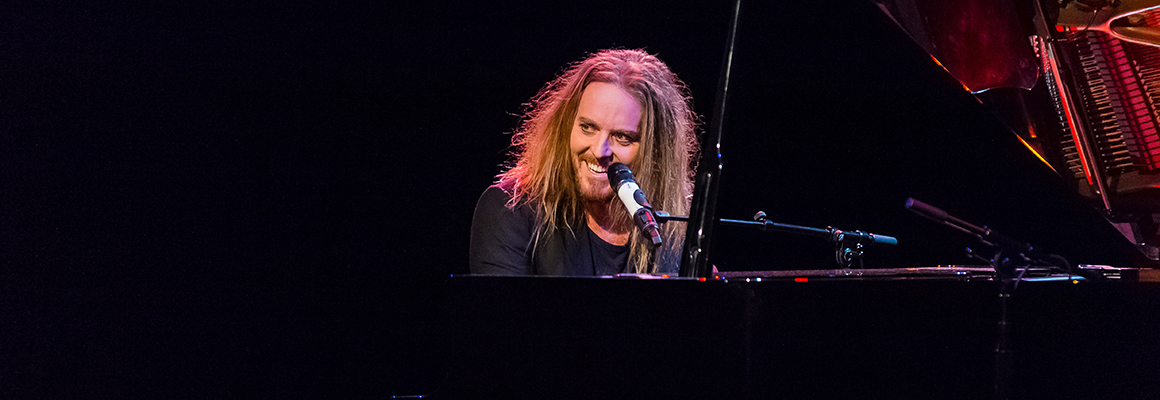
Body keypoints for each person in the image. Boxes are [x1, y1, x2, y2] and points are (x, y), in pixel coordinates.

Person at [469, 49, 700, 276]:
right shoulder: (511, 209)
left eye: (621, 137)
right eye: (587, 128)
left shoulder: (675, 231)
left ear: (656, 152)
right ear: (566, 126)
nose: (600, 151)